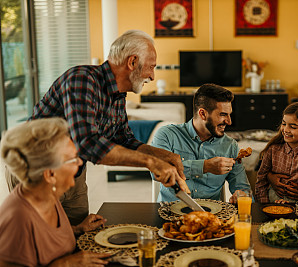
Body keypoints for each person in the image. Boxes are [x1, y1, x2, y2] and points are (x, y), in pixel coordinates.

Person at [5, 30, 189, 225]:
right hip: (37, 173)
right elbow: (87, 143)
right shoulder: (81, 79)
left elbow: (124, 139)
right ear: (132, 62)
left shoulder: (118, 94)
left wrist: (163, 155)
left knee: (77, 240)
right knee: (42, 246)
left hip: (72, 174)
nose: (152, 76)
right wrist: (150, 163)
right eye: (151, 67)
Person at [0, 118, 111, 267]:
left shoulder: (48, 195)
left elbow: (42, 240)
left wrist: (78, 228)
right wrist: (64, 264)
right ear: (50, 174)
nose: (80, 163)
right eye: (73, 160)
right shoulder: (17, 219)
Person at [151, 84, 251, 203]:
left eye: (229, 114)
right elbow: (157, 171)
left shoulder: (230, 146)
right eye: (223, 114)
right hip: (170, 213)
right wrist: (205, 166)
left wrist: (242, 194)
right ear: (202, 114)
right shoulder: (167, 134)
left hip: (210, 217)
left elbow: (242, 187)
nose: (229, 121)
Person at [255, 101, 298, 203]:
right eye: (284, 124)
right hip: (270, 203)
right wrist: (265, 205)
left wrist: (294, 208)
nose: (286, 129)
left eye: (293, 127)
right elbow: (260, 183)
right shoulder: (273, 149)